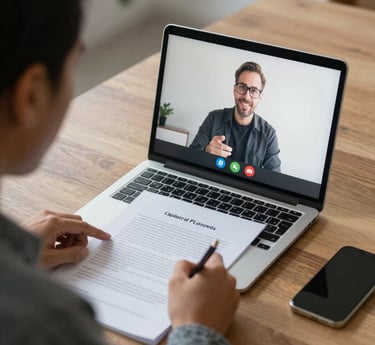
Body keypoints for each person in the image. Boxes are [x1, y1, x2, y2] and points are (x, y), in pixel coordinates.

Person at [0, 1, 239, 345]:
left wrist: (15, 253)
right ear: (32, 94)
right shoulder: (49, 324)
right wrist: (196, 328)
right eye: (74, 63)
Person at [190, 62, 281, 172]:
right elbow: (190, 155)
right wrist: (206, 150)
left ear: (260, 96)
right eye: (242, 87)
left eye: (254, 91)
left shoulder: (269, 134)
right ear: (234, 89)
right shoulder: (213, 118)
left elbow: (274, 177)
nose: (246, 97)